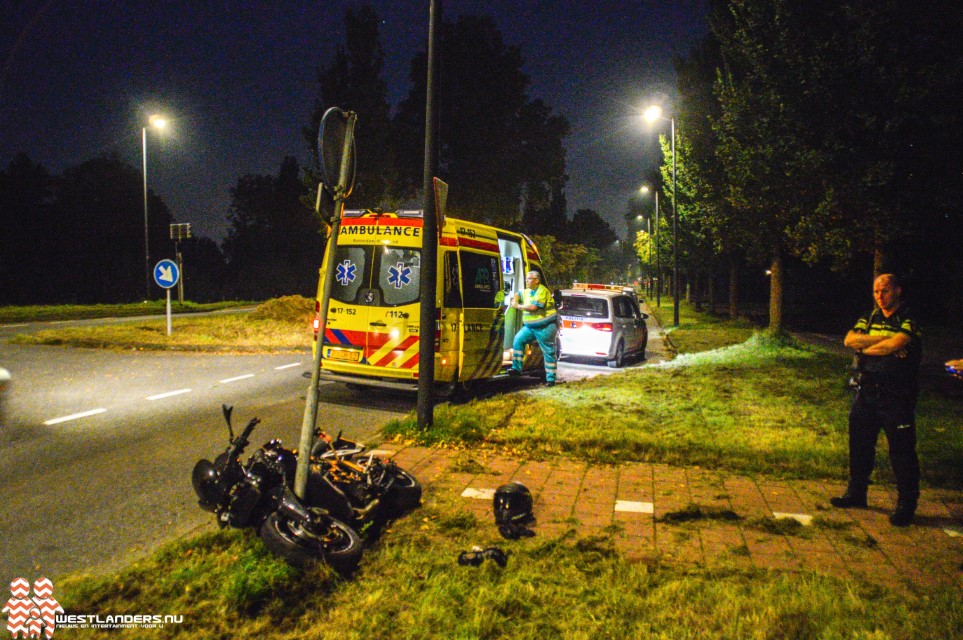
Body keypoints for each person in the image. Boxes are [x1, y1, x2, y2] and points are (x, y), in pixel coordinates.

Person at [831, 273, 922, 526]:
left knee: (901, 452)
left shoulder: (909, 319)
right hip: (867, 391)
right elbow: (850, 340)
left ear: (898, 291)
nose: (880, 296)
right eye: (876, 292)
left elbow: (895, 343)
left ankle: (906, 504)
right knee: (860, 444)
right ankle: (856, 493)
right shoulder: (870, 317)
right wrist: (887, 341)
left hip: (897, 396)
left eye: (885, 291)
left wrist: (868, 347)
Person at [508, 271, 558, 386]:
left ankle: (551, 380)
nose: (527, 281)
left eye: (529, 279)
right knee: (518, 340)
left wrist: (518, 306)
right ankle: (516, 368)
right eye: (526, 279)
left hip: (545, 327)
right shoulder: (527, 291)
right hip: (531, 327)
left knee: (548, 352)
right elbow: (518, 294)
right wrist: (515, 299)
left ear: (536, 280)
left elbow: (534, 307)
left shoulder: (542, 291)